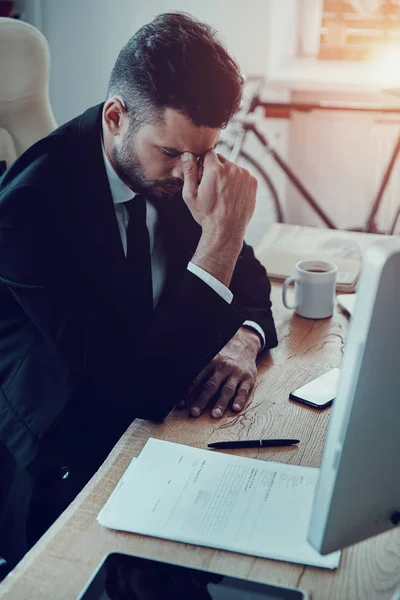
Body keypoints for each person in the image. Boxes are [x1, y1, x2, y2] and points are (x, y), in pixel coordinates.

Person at [0, 12, 277, 569]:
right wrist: (221, 238)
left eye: (202, 154)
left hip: (160, 423)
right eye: (172, 152)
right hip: (61, 454)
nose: (187, 174)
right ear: (115, 117)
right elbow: (131, 388)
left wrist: (244, 340)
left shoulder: (171, 166)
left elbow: (251, 288)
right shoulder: (27, 212)